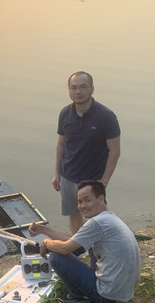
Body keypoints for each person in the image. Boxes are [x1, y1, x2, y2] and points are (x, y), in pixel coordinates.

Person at [29, 180, 140, 303]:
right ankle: (90, 291)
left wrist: (46, 243)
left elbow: (65, 249)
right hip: (123, 291)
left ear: (101, 199)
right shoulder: (109, 218)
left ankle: (80, 297)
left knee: (56, 256)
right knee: (80, 248)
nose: (82, 206)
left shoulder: (97, 222)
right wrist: (43, 230)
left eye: (87, 200)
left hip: (106, 294)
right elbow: (74, 240)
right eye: (79, 201)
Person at [52, 72, 121, 244]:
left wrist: (103, 181)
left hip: (92, 180)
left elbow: (115, 151)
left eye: (83, 87)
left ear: (92, 89)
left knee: (98, 219)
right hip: (68, 176)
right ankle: (79, 248)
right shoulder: (65, 114)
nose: (78, 92)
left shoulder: (106, 116)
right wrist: (57, 173)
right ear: (69, 90)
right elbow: (61, 144)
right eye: (73, 87)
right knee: (73, 214)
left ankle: (103, 249)